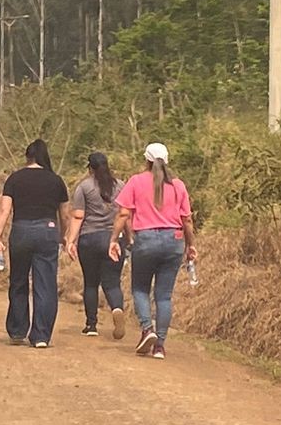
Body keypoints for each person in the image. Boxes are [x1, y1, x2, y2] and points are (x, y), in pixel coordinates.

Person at [110, 142, 197, 360]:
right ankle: (159, 346)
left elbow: (123, 214)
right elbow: (187, 220)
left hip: (146, 240)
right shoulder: (178, 185)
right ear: (167, 160)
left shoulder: (136, 181)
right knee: (164, 296)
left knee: (140, 288)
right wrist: (190, 245)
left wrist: (113, 239)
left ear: (146, 160)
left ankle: (147, 329)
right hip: (174, 240)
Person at [0, 139, 70, 349]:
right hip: (48, 230)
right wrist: (64, 236)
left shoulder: (15, 178)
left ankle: (17, 330)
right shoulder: (56, 180)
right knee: (46, 283)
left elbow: (5, 210)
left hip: (21, 230)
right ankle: (41, 335)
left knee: (19, 280)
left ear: (27, 157)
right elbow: (64, 214)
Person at [64, 152, 126, 338]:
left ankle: (91, 325)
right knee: (112, 282)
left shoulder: (84, 187)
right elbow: (125, 215)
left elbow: (78, 216)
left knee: (91, 282)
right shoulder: (120, 186)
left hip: (89, 239)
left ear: (90, 168)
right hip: (113, 239)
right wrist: (129, 238)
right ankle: (117, 308)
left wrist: (70, 240)